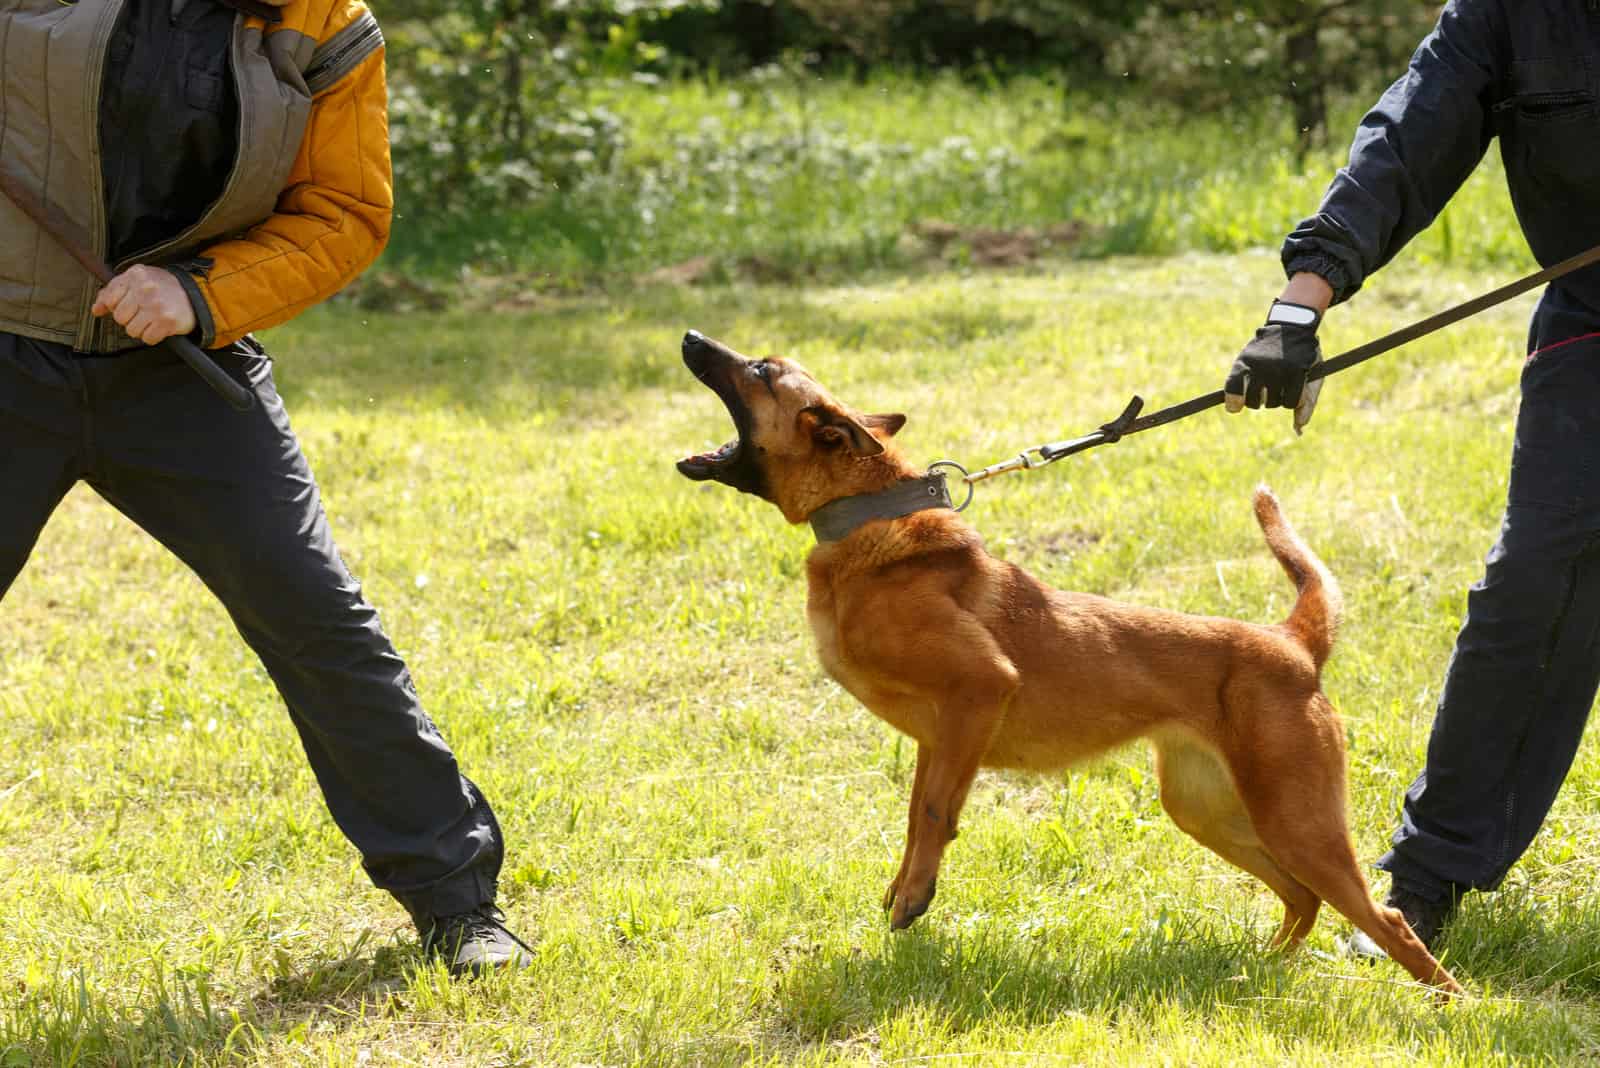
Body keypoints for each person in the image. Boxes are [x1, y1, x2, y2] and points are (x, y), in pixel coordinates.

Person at [0, 0, 529, 975]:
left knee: (318, 621)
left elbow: (345, 214)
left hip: (181, 368)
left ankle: (458, 906)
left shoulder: (323, 25)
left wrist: (200, 295)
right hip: (6, 349)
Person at [1224, 0, 1600, 954]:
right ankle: (1426, 879)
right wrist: (1297, 308)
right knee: (1535, 582)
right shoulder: (1508, 13)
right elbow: (1407, 137)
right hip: (1595, 323)